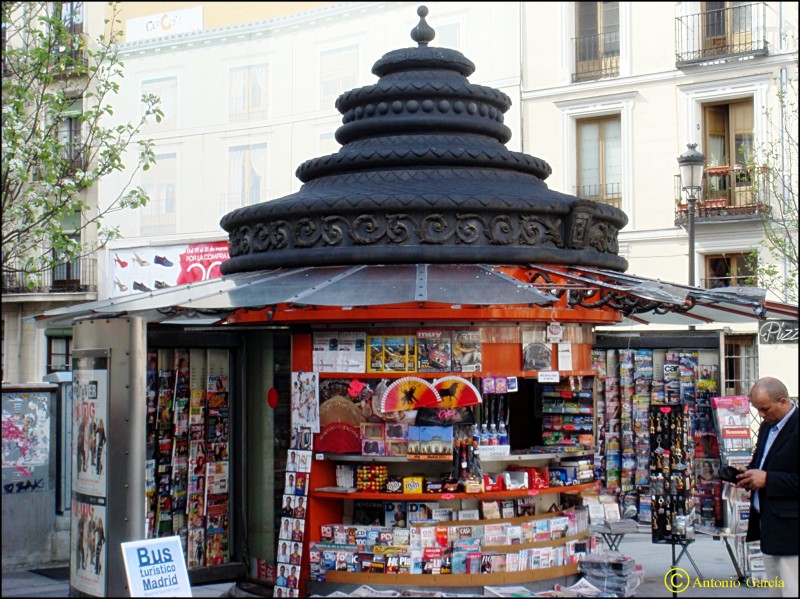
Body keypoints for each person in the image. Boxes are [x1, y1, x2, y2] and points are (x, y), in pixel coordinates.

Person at [736, 377, 798, 598]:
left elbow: (772, 475)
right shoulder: (766, 427)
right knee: (776, 591)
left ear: (783, 401)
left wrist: (768, 479)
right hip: (768, 525)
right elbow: (762, 463)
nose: (761, 414)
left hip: (792, 532)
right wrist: (747, 473)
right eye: (756, 409)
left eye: (764, 409)